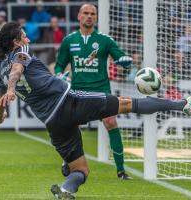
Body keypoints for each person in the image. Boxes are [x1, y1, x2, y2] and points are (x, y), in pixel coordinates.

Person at [0, 22, 191, 199]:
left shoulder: (0, 71)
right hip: (69, 103)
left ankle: (66, 188)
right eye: (24, 35)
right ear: (16, 42)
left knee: (81, 170)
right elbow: (17, 70)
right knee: (127, 103)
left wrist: (1, 116)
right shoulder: (20, 53)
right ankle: (183, 105)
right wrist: (12, 89)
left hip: (52, 121)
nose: (27, 38)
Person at [54, 3, 133, 180]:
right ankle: (70, 160)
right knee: (72, 127)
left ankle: (121, 171)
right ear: (79, 16)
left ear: (96, 18)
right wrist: (59, 74)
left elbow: (120, 57)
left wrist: (125, 61)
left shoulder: (105, 40)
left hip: (101, 89)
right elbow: (59, 64)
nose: (89, 16)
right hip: (78, 91)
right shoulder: (69, 40)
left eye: (92, 14)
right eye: (86, 13)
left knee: (111, 122)